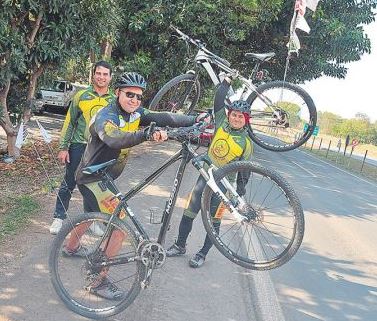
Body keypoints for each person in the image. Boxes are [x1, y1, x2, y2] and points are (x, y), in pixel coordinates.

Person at [62, 71, 208, 300]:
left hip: (104, 176)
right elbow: (114, 138)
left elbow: (164, 117)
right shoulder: (105, 115)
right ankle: (97, 281)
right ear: (117, 93)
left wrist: (194, 119)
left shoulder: (136, 113)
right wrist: (145, 134)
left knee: (91, 215)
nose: (134, 100)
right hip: (93, 178)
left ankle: (70, 247)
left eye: (139, 97)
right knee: (119, 229)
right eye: (129, 94)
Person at [166, 76, 254, 268]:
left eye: (241, 116)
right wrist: (227, 82)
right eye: (234, 114)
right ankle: (180, 245)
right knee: (189, 212)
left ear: (246, 120)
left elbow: (245, 171)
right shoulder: (222, 122)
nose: (236, 118)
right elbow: (218, 101)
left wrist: (239, 192)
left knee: (213, 223)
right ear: (229, 115)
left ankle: (202, 254)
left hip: (223, 186)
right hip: (204, 177)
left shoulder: (246, 143)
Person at [49, 61, 114, 235]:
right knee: (69, 181)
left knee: (94, 185)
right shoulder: (81, 95)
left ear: (110, 77)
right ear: (93, 74)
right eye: (98, 73)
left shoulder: (114, 101)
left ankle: (91, 220)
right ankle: (58, 217)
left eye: (105, 74)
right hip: (79, 145)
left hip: (100, 150)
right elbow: (69, 122)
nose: (101, 77)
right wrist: (63, 148)